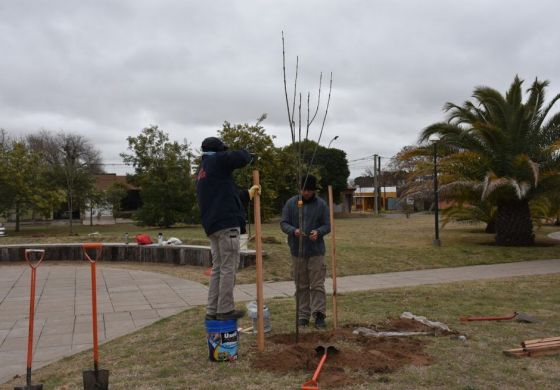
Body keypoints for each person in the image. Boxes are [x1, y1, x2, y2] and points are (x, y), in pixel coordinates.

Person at [196, 136, 259, 321]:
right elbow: (239, 157)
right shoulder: (217, 159)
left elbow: (224, 197)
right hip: (226, 224)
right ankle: (225, 310)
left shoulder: (203, 171)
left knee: (218, 268)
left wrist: (248, 194)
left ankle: (212, 310)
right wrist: (250, 156)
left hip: (213, 225)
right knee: (228, 268)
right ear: (219, 150)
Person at [280, 174, 331, 328]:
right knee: (301, 285)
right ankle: (303, 315)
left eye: (309, 190)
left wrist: (319, 232)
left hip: (316, 252)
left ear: (314, 190)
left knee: (317, 285)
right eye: (303, 190)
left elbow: (327, 225)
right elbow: (283, 223)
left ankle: (319, 315)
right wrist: (293, 230)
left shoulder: (321, 205)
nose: (306, 193)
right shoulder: (291, 203)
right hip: (297, 251)